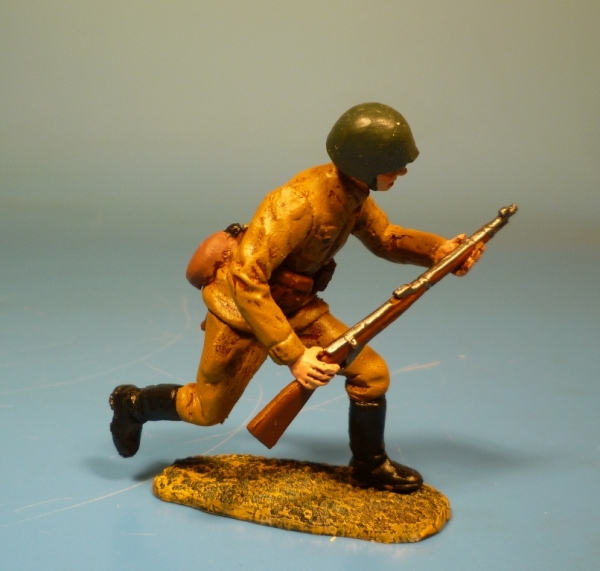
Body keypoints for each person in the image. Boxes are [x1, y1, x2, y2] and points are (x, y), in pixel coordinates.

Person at [109, 102, 484, 494]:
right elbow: (246, 279)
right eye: (393, 165)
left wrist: (440, 251)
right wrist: (294, 356)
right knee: (206, 410)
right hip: (241, 313)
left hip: (297, 307)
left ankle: (369, 465)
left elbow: (385, 237)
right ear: (364, 162)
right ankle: (132, 404)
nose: (402, 172)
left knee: (371, 374)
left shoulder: (352, 195)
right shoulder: (297, 203)